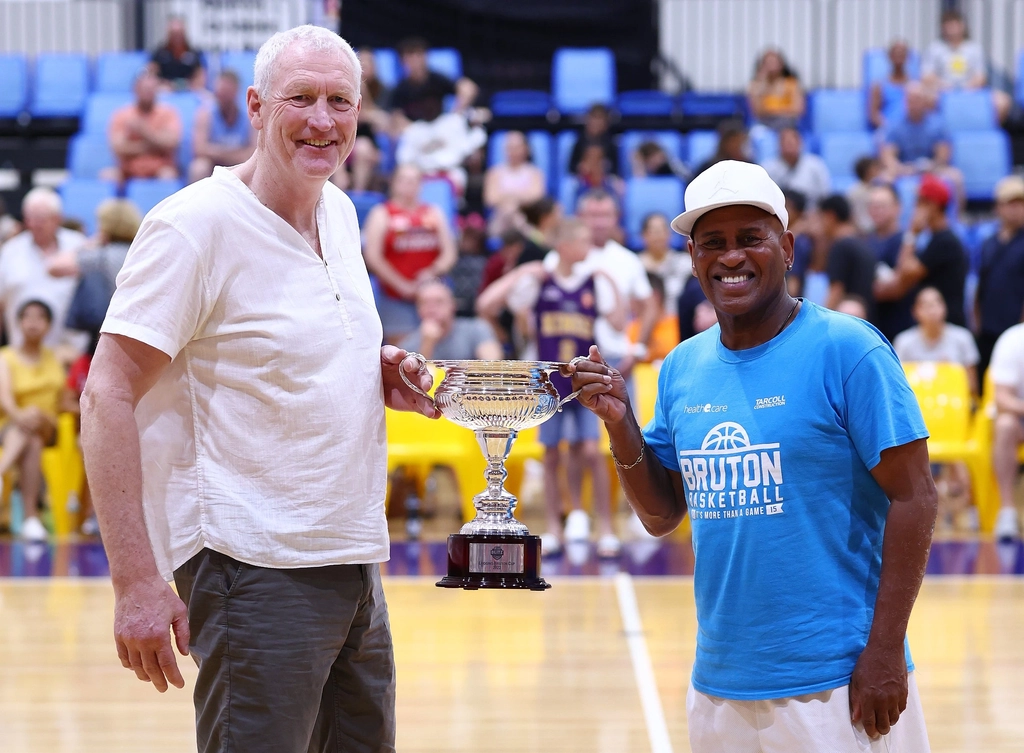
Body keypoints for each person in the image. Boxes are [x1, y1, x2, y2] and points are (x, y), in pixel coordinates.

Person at [80, 25, 439, 752]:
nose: (321, 120)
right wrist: (136, 581)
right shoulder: (194, 226)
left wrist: (376, 374)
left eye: (340, 100)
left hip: (352, 559)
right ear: (254, 105)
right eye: (300, 97)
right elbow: (106, 392)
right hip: (253, 567)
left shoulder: (338, 212)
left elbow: (286, 354)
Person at [567, 159, 935, 752]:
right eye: (712, 243)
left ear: (787, 247)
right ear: (693, 259)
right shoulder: (683, 366)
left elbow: (916, 495)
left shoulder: (849, 349)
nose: (730, 257)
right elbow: (662, 515)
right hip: (719, 686)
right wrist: (619, 424)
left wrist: (887, 650)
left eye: (749, 239)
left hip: (839, 684)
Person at [476, 218, 625, 557]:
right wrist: (521, 273)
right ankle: (555, 528)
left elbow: (617, 322)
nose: (589, 246)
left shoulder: (593, 280)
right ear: (563, 245)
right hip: (548, 383)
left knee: (591, 451)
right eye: (583, 239)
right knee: (552, 454)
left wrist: (612, 284)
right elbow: (487, 305)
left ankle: (603, 526)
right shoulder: (538, 281)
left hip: (586, 380)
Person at [363, 163, 458, 342]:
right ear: (394, 183)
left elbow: (449, 253)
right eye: (404, 180)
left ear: (421, 185)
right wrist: (401, 285)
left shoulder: (433, 212)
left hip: (431, 292)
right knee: (404, 352)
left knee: (440, 343)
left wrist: (432, 272)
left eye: (414, 180)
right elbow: (373, 257)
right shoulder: (382, 213)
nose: (408, 184)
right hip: (395, 295)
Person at [572, 190, 657, 379]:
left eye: (605, 216)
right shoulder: (563, 256)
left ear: (616, 218)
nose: (599, 223)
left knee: (624, 409)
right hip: (571, 359)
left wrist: (638, 348)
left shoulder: (628, 259)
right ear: (580, 217)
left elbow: (650, 306)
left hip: (618, 360)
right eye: (593, 216)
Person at [0, 300, 65, 542]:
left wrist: (36, 415)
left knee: (36, 419)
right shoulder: (5, 357)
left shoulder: (56, 357)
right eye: (27, 317)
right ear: (18, 324)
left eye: (40, 318)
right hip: (11, 425)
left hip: (50, 426)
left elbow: (63, 398)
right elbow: (6, 400)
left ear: (49, 325)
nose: (33, 323)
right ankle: (31, 519)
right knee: (32, 440)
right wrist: (22, 416)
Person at [0, 188, 87, 357]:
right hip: (22, 356)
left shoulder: (79, 246)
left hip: (69, 353)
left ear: (57, 219)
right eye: (30, 218)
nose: (35, 224)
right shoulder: (11, 250)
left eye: (41, 219)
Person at [874, 173, 967, 329]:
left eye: (919, 202)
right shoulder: (937, 239)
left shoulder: (944, 242)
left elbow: (903, 275)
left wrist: (912, 233)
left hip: (946, 329)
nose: (915, 207)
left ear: (932, 205)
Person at [921, 9, 1011, 124]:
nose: (951, 30)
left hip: (971, 91)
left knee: (1003, 101)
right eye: (948, 26)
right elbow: (927, 76)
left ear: (962, 26)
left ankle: (987, 129)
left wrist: (965, 89)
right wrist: (945, 87)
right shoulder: (934, 48)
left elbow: (981, 77)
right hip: (941, 92)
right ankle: (937, 133)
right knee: (921, 98)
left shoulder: (974, 48)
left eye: (954, 25)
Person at [878, 82, 964, 202]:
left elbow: (943, 156)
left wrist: (931, 166)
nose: (914, 104)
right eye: (910, 100)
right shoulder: (894, 126)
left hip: (932, 169)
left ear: (925, 101)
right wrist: (900, 168)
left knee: (956, 177)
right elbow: (888, 156)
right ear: (905, 102)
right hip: (903, 170)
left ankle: (954, 218)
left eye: (917, 100)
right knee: (883, 178)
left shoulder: (937, 125)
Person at [975, 175, 1024, 380]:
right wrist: (977, 322)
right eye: (1010, 203)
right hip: (988, 331)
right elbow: (981, 286)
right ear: (998, 207)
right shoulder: (989, 243)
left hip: (1017, 332)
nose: (1016, 208)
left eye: (1020, 203)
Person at [104, 69, 183, 182]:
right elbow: (118, 148)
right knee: (107, 176)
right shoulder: (122, 114)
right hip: (128, 169)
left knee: (168, 176)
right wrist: (154, 146)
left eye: (151, 89)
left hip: (159, 168)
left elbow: (171, 143)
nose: (148, 93)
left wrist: (143, 131)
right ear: (135, 89)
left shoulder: (168, 113)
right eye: (144, 89)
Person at [389, 36, 479, 129]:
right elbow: (396, 116)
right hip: (415, 132)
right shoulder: (400, 88)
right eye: (410, 55)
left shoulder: (437, 79)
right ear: (402, 60)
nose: (415, 60)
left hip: (441, 128)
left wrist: (455, 114)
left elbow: (468, 88)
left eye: (419, 54)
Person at [400, 278, 501, 361]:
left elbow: (492, 364)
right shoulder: (409, 345)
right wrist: (427, 344)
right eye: (424, 303)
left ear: (453, 305)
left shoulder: (476, 328)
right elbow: (413, 382)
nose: (431, 308)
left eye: (439, 302)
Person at [864, 184, 914, 342]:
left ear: (897, 208)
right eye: (872, 205)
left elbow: (898, 286)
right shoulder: (864, 242)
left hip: (900, 325)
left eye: (882, 205)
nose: (876, 210)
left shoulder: (907, 242)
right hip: (870, 325)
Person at [187, 70, 256, 183]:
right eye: (219, 93)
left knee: (253, 166)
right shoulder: (205, 114)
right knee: (199, 167)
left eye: (226, 93)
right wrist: (231, 153)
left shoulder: (249, 117)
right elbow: (199, 149)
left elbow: (253, 152)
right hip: (213, 164)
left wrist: (215, 150)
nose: (222, 97)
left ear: (235, 92)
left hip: (239, 164)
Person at [989, 320, 1024, 541]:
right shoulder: (1012, 340)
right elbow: (1001, 398)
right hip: (1020, 418)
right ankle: (1007, 512)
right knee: (1004, 425)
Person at [818, 194, 876, 319]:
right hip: (866, 317)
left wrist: (821, 320)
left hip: (849, 317)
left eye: (821, 218)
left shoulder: (840, 246)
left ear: (830, 216)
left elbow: (836, 290)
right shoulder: (861, 242)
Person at [483, 131, 546, 234]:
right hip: (501, 219)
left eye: (517, 147)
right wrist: (521, 196)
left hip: (526, 219)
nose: (513, 151)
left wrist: (508, 197)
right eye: (510, 148)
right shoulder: (494, 173)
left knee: (518, 218)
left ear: (526, 149)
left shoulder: (535, 173)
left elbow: (537, 197)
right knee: (509, 214)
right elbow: (490, 199)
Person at [762, 127, 832, 209]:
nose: (789, 146)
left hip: (811, 215)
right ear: (779, 145)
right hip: (779, 215)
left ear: (800, 143)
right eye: (785, 142)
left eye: (792, 142)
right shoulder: (767, 169)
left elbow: (825, 196)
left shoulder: (816, 166)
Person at [638, 212, 689, 313]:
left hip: (676, 321)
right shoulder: (635, 265)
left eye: (662, 231)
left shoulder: (685, 263)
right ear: (643, 235)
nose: (658, 236)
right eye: (654, 231)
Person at [747, 49, 805, 130]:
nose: (771, 66)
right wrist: (761, 83)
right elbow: (756, 111)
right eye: (767, 63)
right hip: (765, 123)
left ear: (781, 64)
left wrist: (773, 111)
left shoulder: (791, 83)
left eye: (773, 62)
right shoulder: (756, 85)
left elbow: (797, 110)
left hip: (787, 123)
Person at [627, 273, 679, 363]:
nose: (631, 303)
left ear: (654, 296)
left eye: (635, 296)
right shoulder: (632, 329)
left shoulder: (678, 326)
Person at [149, 16, 205, 92]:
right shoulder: (160, 53)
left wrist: (188, 85)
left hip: (189, 90)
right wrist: (164, 84)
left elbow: (200, 76)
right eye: (174, 34)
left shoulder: (194, 53)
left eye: (179, 33)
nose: (177, 37)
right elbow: (151, 76)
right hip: (164, 91)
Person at [869, 40, 915, 130]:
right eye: (895, 54)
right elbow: (873, 115)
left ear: (908, 57)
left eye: (902, 54)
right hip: (887, 131)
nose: (899, 57)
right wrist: (888, 127)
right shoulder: (879, 86)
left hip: (911, 131)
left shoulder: (916, 86)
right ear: (889, 56)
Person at [569, 104, 617, 176]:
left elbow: (615, 168)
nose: (597, 123)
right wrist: (582, 167)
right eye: (594, 118)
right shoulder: (580, 141)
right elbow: (571, 167)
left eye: (600, 119)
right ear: (588, 120)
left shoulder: (610, 143)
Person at [847, 156, 883, 234]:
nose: (878, 171)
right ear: (868, 171)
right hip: (862, 231)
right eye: (875, 168)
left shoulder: (879, 188)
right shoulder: (855, 192)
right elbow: (855, 216)